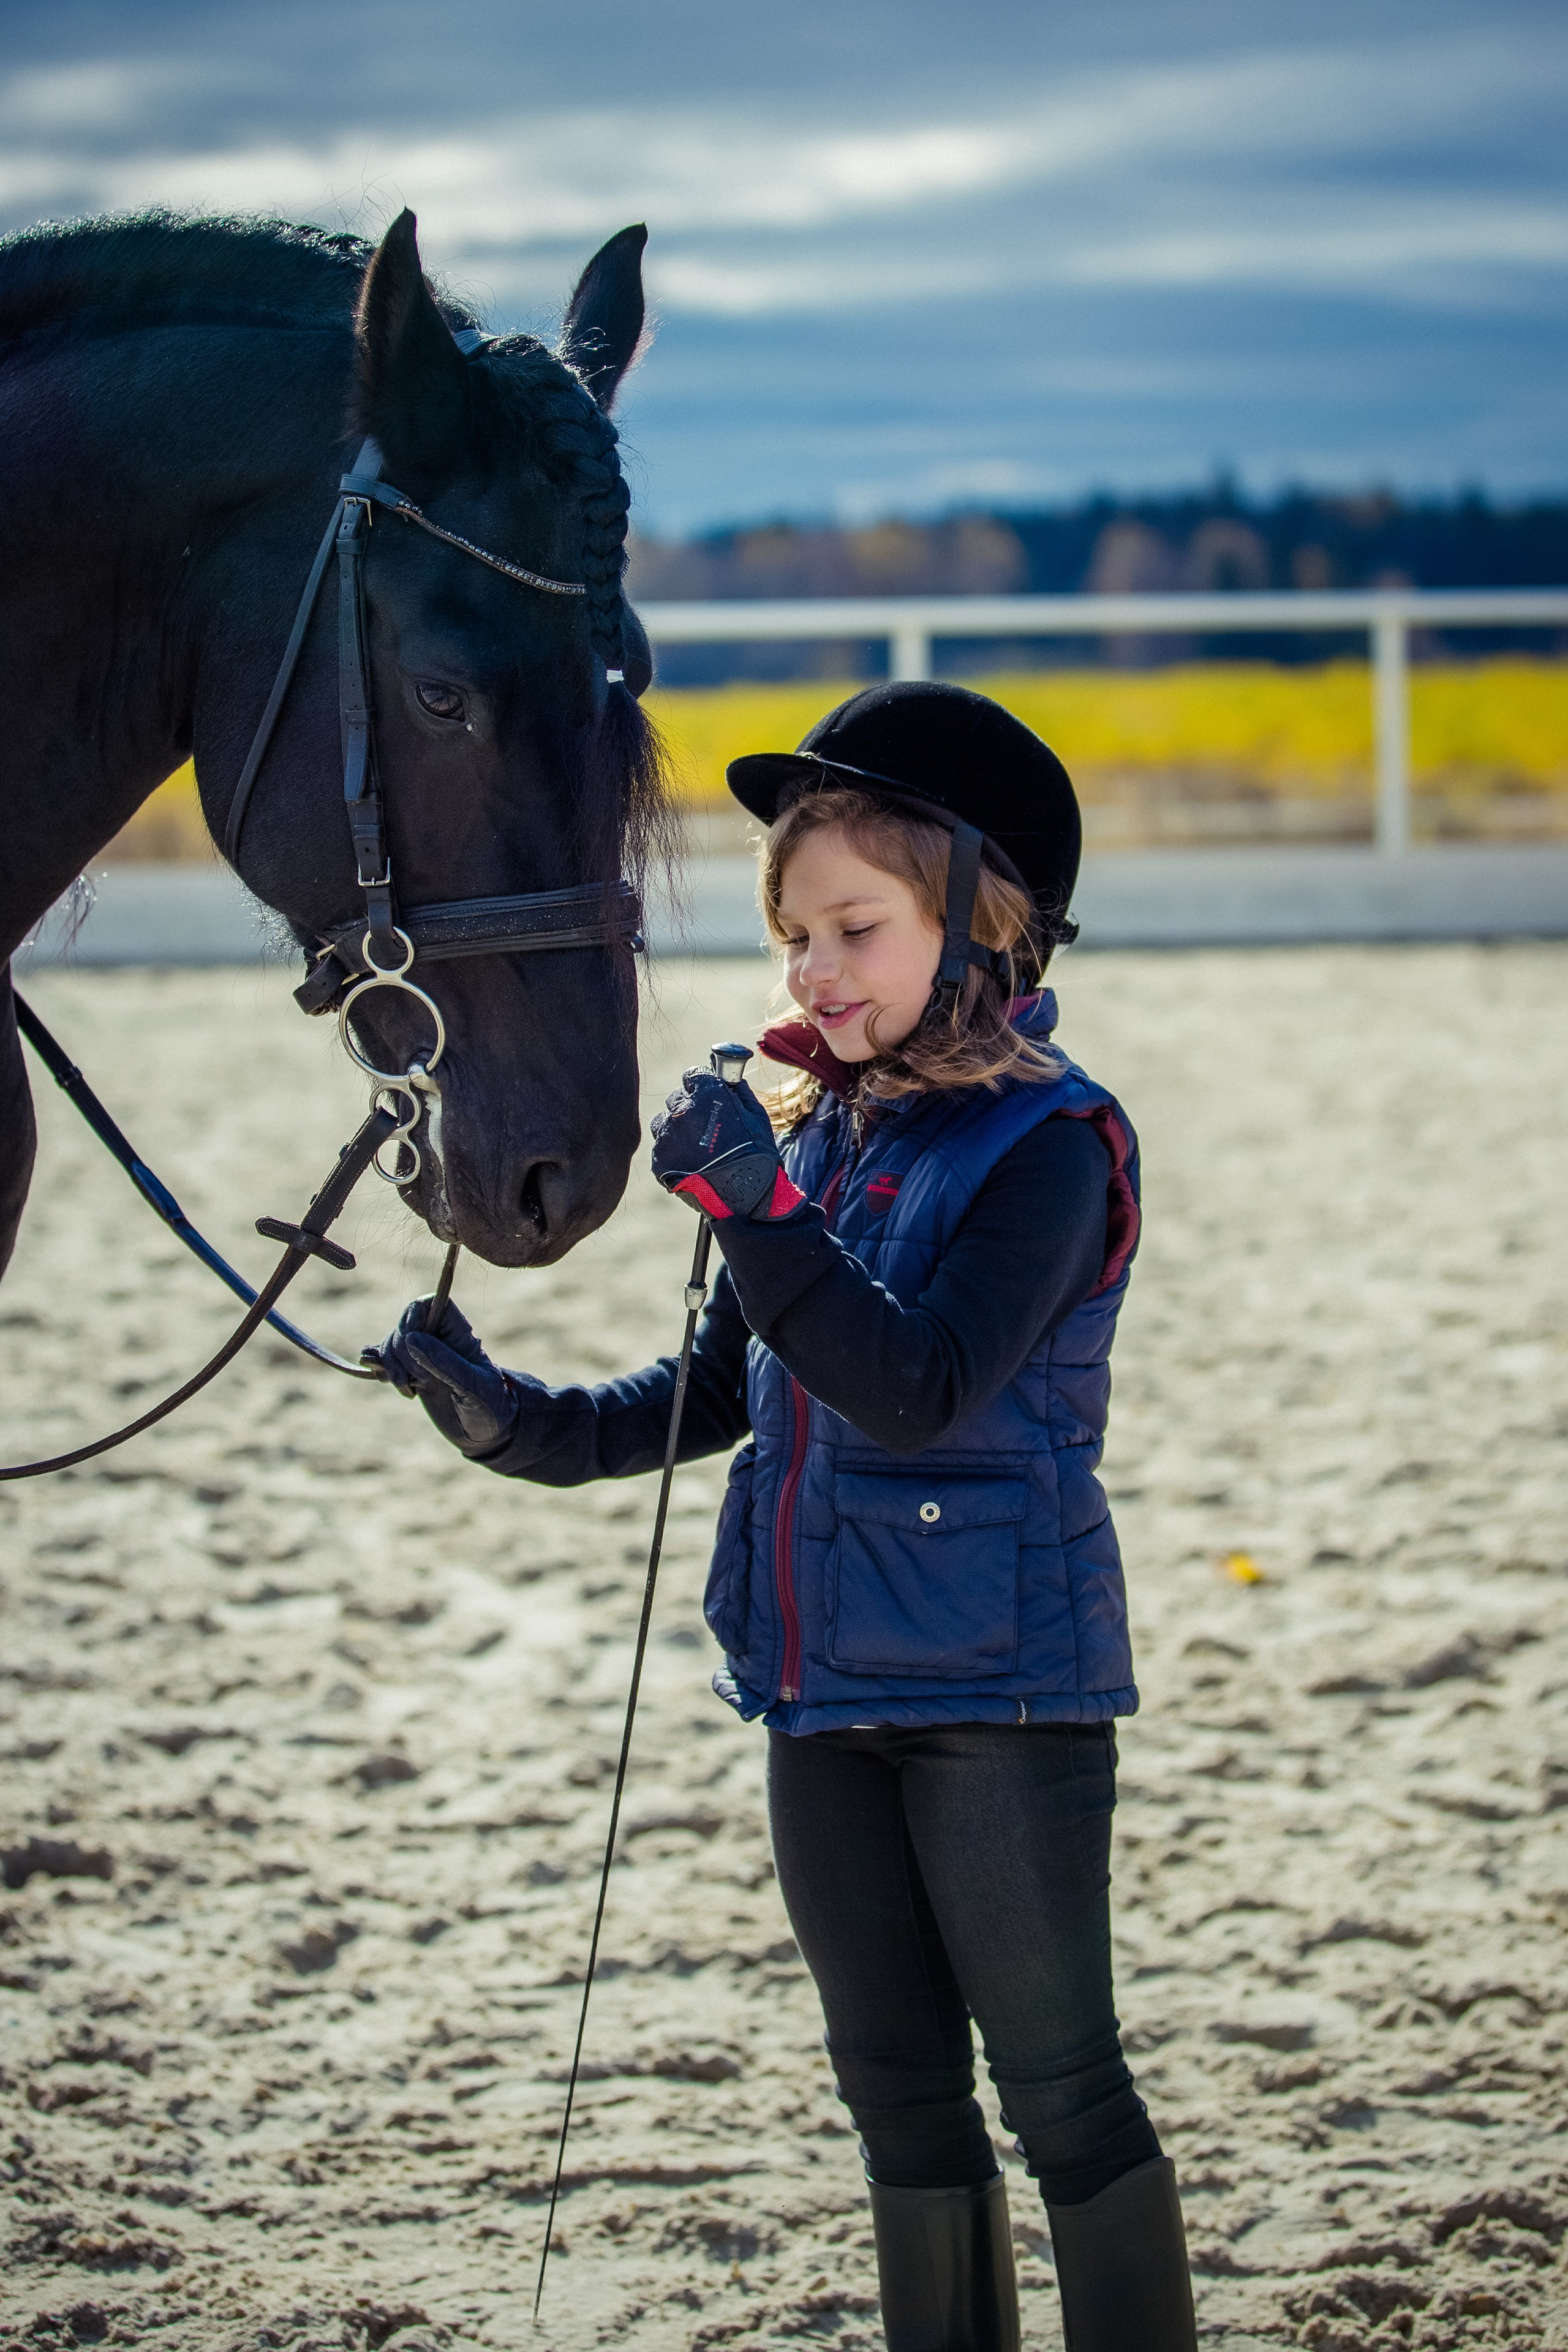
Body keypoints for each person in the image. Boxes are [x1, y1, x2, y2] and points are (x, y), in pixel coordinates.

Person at [376, 682, 1196, 2352]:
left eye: (855, 929)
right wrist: (510, 1418)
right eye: (794, 935)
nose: (814, 973)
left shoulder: (1053, 1146)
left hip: (1000, 1705)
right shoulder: (834, 1141)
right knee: (896, 2098)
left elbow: (919, 1382)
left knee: (1063, 2096)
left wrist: (752, 1203)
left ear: (983, 922)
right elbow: (712, 1392)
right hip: (819, 1698)